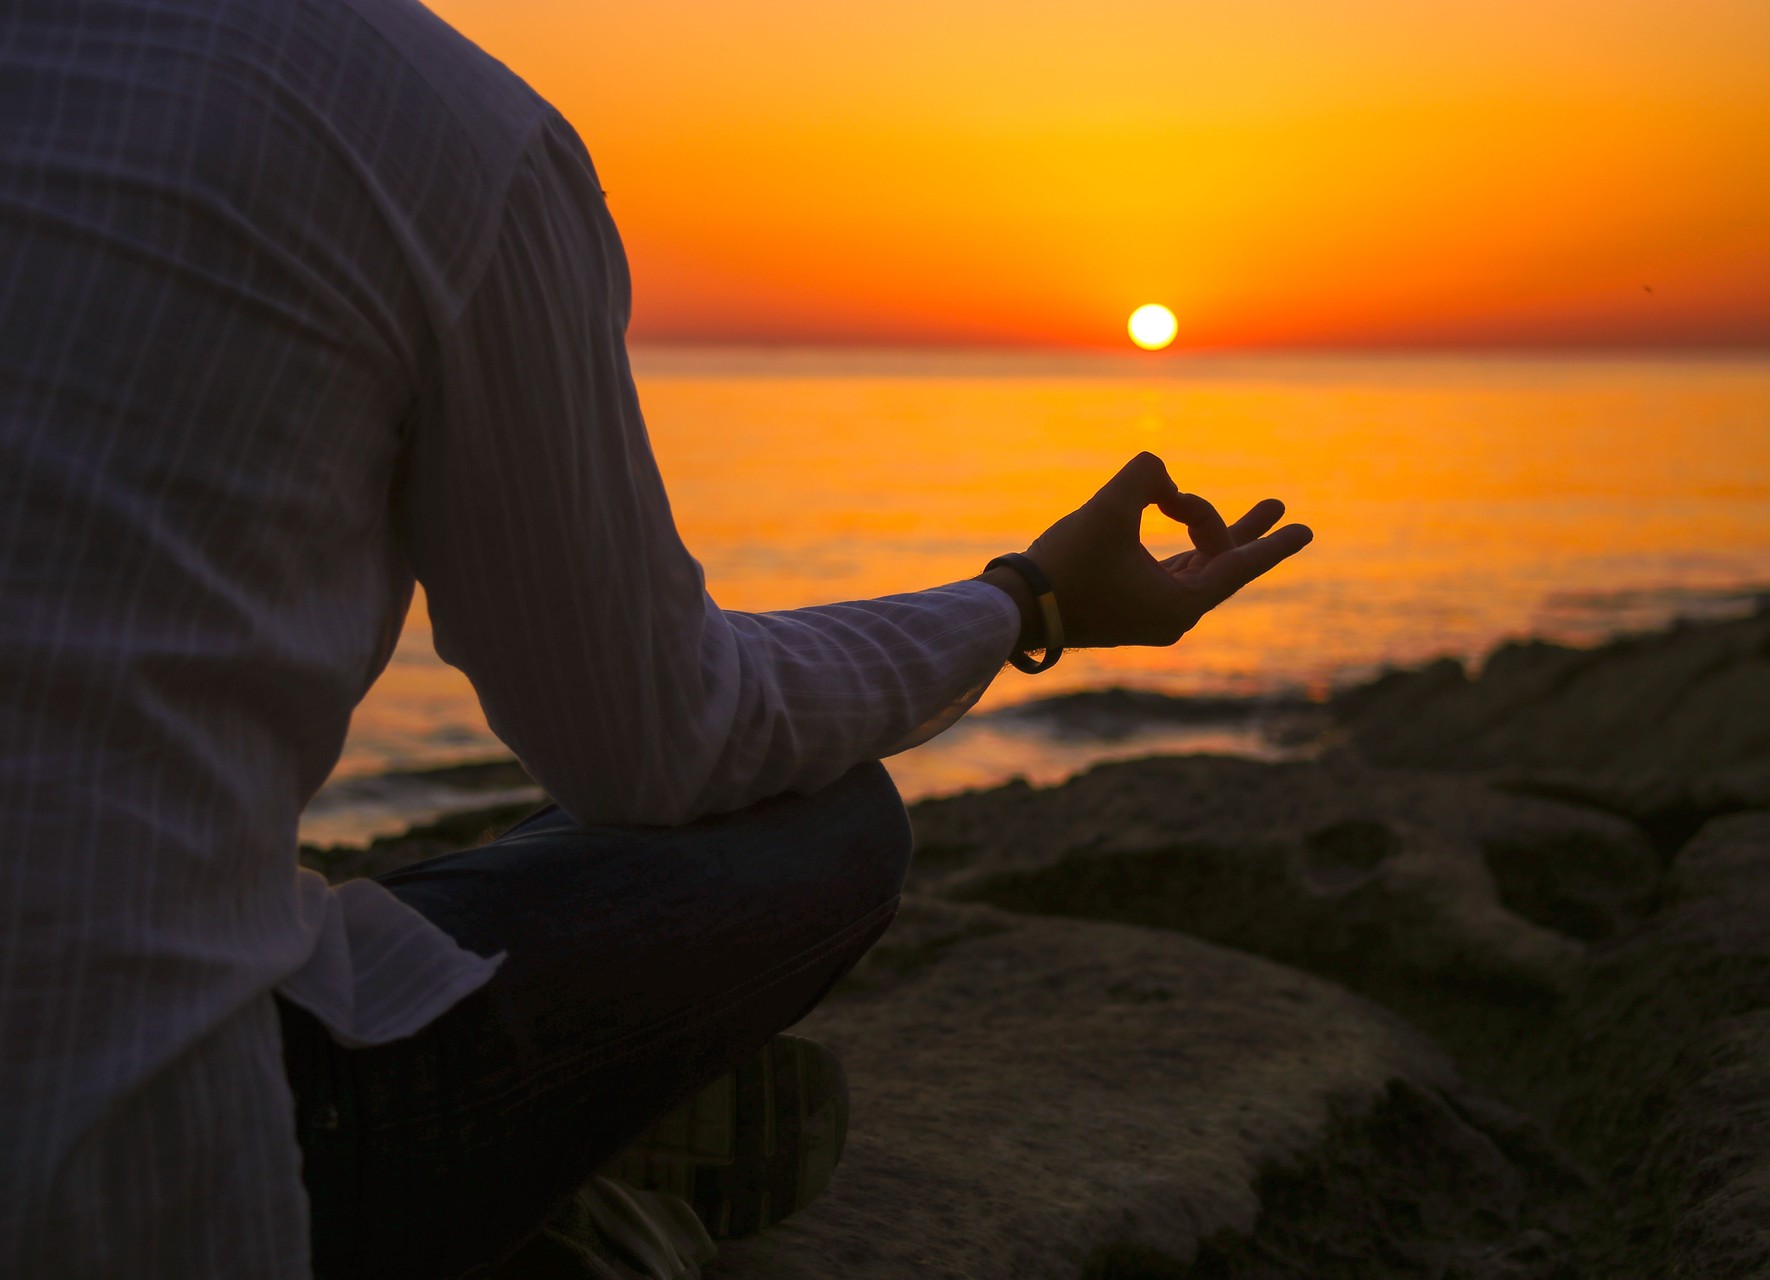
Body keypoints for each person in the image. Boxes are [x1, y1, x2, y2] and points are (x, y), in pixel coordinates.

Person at [0, 0, 1313, 1276]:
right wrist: (1030, 602)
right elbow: (657, 743)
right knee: (830, 829)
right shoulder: (440, 127)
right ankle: (568, 1174)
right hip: (163, 1182)